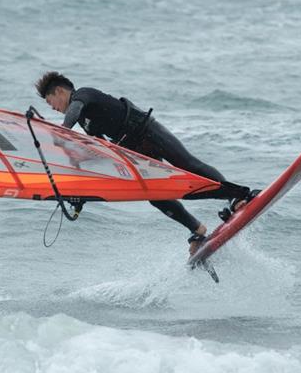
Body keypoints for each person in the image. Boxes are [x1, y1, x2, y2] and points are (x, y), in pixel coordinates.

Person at [35, 71, 257, 255]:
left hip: (147, 131)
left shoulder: (83, 95)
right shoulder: (85, 122)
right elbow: (101, 152)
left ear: (60, 91)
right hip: (135, 149)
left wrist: (62, 132)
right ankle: (197, 230)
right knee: (155, 195)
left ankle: (237, 196)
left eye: (50, 101)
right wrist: (80, 193)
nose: (52, 107)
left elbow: (75, 109)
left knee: (187, 165)